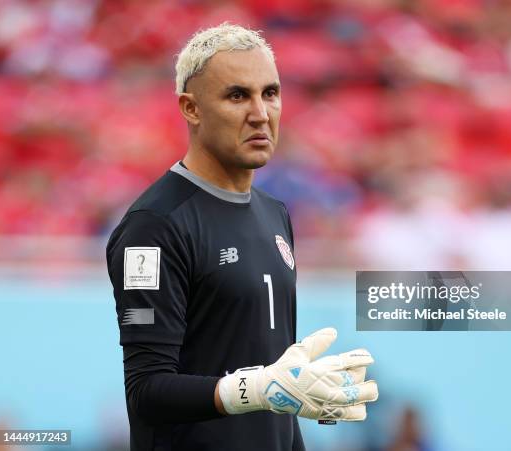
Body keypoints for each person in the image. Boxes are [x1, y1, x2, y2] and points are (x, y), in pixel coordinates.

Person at [106, 23, 378, 451]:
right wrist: (252, 390)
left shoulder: (275, 215)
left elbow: (278, 387)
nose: (260, 113)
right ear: (191, 109)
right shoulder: (154, 226)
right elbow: (147, 391)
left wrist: (287, 394)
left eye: (270, 93)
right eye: (237, 96)